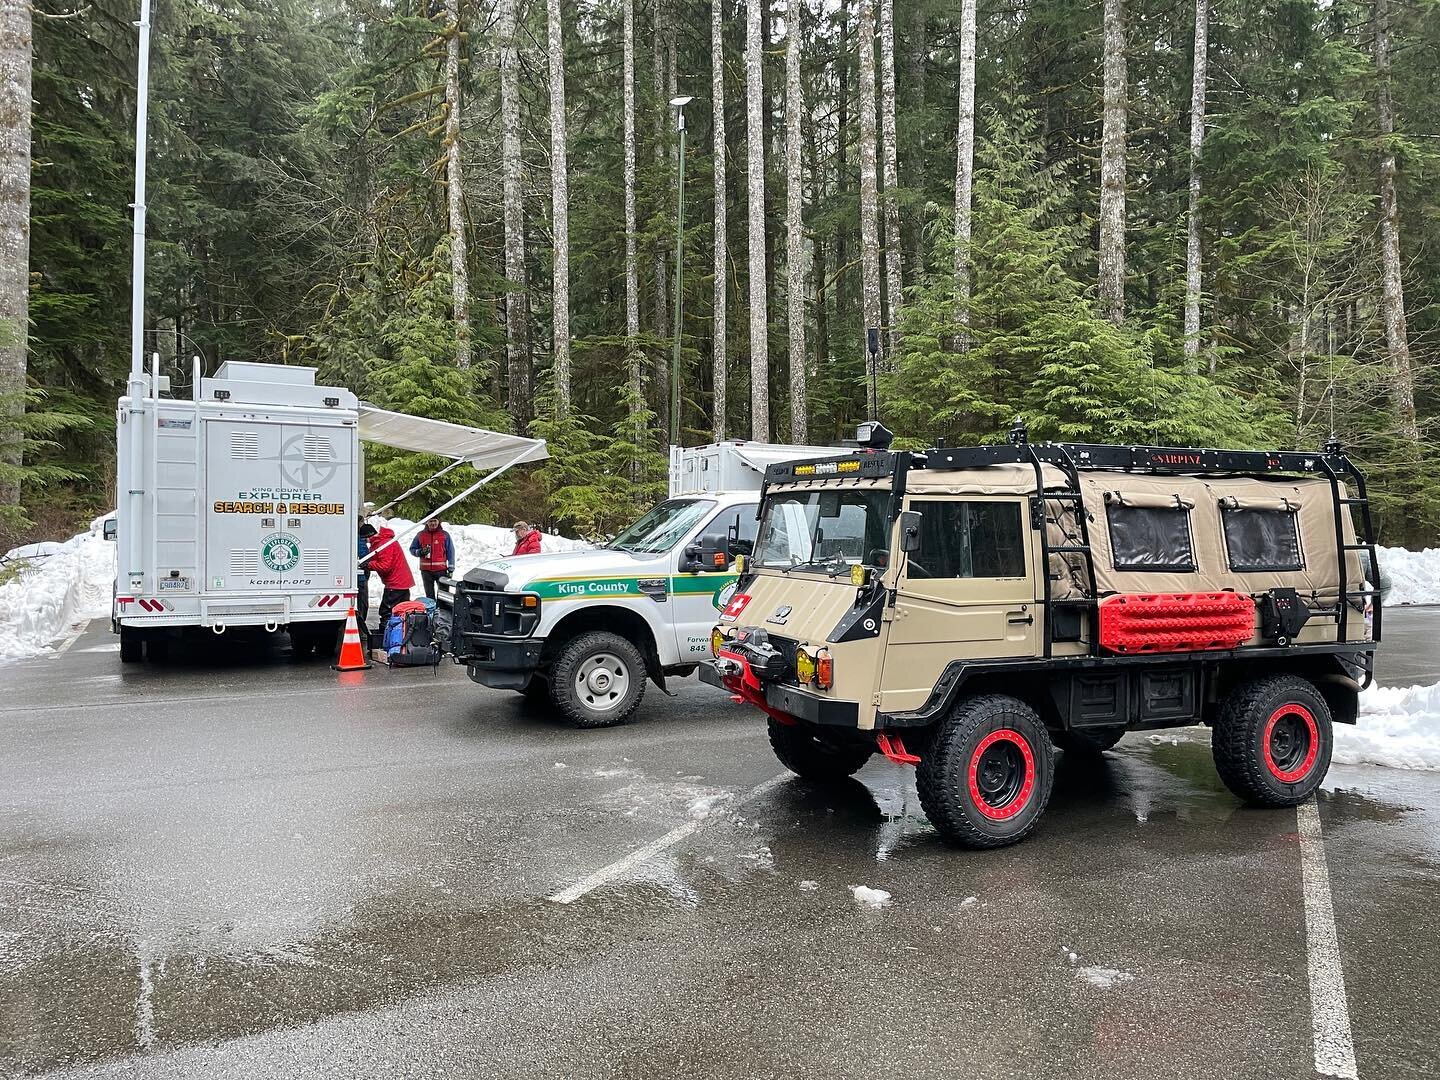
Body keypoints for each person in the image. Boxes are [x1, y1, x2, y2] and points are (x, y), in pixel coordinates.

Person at [361, 522, 415, 636]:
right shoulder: (381, 542)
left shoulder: (384, 544)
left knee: (386, 611)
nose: (366, 542)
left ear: (368, 536)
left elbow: (385, 566)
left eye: (365, 539)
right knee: (401, 611)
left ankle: (385, 636)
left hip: (396, 583)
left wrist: (369, 565)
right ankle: (400, 636)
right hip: (401, 582)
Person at [410, 517, 455, 600]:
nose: (433, 523)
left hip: (441, 571)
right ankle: (432, 611)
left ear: (438, 522)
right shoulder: (420, 535)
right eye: (430, 521)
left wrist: (451, 568)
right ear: (426, 522)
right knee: (429, 596)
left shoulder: (445, 534)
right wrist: (420, 552)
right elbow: (412, 549)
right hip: (426, 572)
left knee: (443, 596)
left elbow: (450, 551)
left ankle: (442, 611)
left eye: (435, 521)